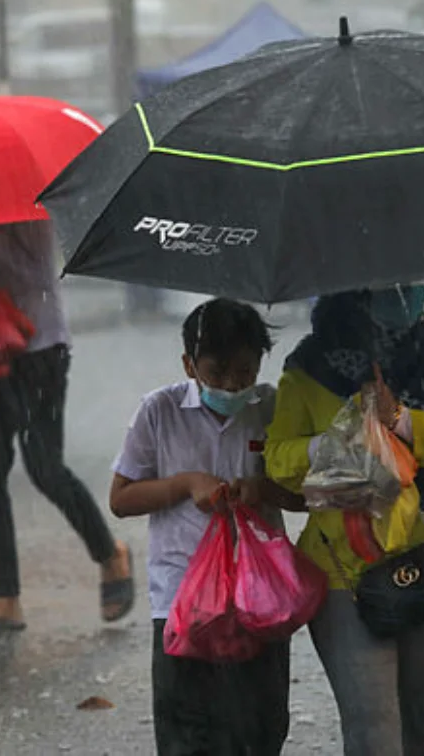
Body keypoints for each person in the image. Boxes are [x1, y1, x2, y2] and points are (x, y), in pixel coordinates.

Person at [265, 285, 424, 756]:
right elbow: (278, 459)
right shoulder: (308, 368)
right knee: (373, 733)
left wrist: (401, 420)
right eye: (388, 287)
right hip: (343, 570)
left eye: (410, 284)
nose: (406, 295)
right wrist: (333, 442)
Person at [109, 298, 304, 756]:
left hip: (259, 598)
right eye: (216, 374)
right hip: (182, 601)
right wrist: (183, 484)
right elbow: (121, 498)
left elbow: (305, 496)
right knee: (187, 730)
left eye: (244, 372)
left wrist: (263, 490)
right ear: (189, 364)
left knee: (260, 726)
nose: (231, 385)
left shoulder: (271, 408)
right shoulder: (159, 411)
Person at [0, 221, 134, 633]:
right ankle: (4, 598)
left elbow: (38, 277)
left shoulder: (27, 211)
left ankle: (110, 553)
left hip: (39, 348)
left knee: (44, 467)